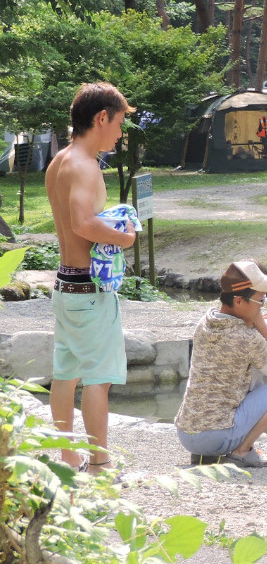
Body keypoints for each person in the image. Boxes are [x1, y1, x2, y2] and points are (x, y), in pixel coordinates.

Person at [44, 83, 139, 474]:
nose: (120, 133)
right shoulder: (85, 165)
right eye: (118, 123)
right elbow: (83, 224)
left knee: (66, 373)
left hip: (66, 285)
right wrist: (126, 237)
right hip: (89, 289)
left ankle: (68, 458)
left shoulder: (59, 161)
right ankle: (100, 462)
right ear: (101, 118)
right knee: (98, 378)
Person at [175, 260, 267, 468]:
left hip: (187, 436)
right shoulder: (247, 337)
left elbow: (239, 324)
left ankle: (205, 456)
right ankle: (241, 452)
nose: (263, 306)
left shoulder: (206, 321)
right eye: (261, 301)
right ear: (240, 301)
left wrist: (265, 317)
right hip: (216, 438)